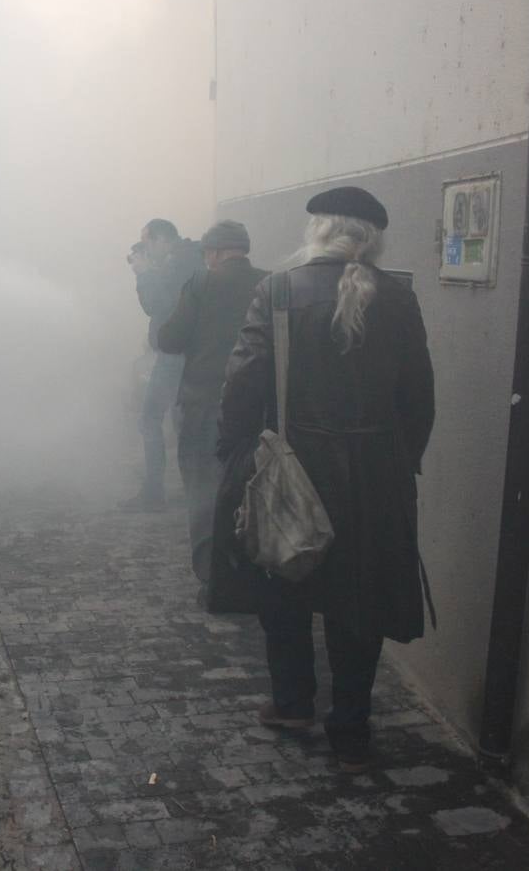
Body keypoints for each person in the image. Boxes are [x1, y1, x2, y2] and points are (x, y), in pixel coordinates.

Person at [218, 186, 435, 772]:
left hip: (296, 466)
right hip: (376, 477)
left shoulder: (279, 291)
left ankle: (292, 703)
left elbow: (244, 382)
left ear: (318, 232)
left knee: (285, 584)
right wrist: (398, 461)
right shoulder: (398, 297)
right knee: (358, 602)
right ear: (372, 238)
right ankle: (351, 723)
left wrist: (234, 455)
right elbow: (418, 398)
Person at [156, 220, 266, 581]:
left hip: (204, 404)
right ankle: (251, 570)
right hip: (259, 410)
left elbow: (169, 339)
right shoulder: (272, 284)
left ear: (215, 253)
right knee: (253, 490)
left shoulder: (202, 283)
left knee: (204, 491)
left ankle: (214, 577)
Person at [118, 219, 202, 511]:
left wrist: (144, 275)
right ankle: (195, 491)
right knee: (184, 423)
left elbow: (158, 305)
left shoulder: (176, 264)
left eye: (147, 242)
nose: (145, 249)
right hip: (189, 353)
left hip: (175, 355)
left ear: (161, 239)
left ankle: (154, 494)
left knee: (150, 419)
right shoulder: (187, 259)